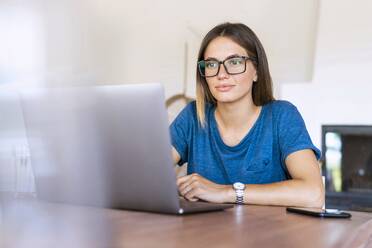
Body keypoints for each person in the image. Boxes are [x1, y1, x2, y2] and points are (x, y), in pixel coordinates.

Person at [170, 22, 324, 207]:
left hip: (268, 234)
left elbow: (313, 194)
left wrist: (225, 192)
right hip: (203, 233)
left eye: (234, 62)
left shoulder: (282, 116)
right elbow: (145, 176)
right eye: (211, 64)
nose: (221, 74)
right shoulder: (194, 116)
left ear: (256, 71)